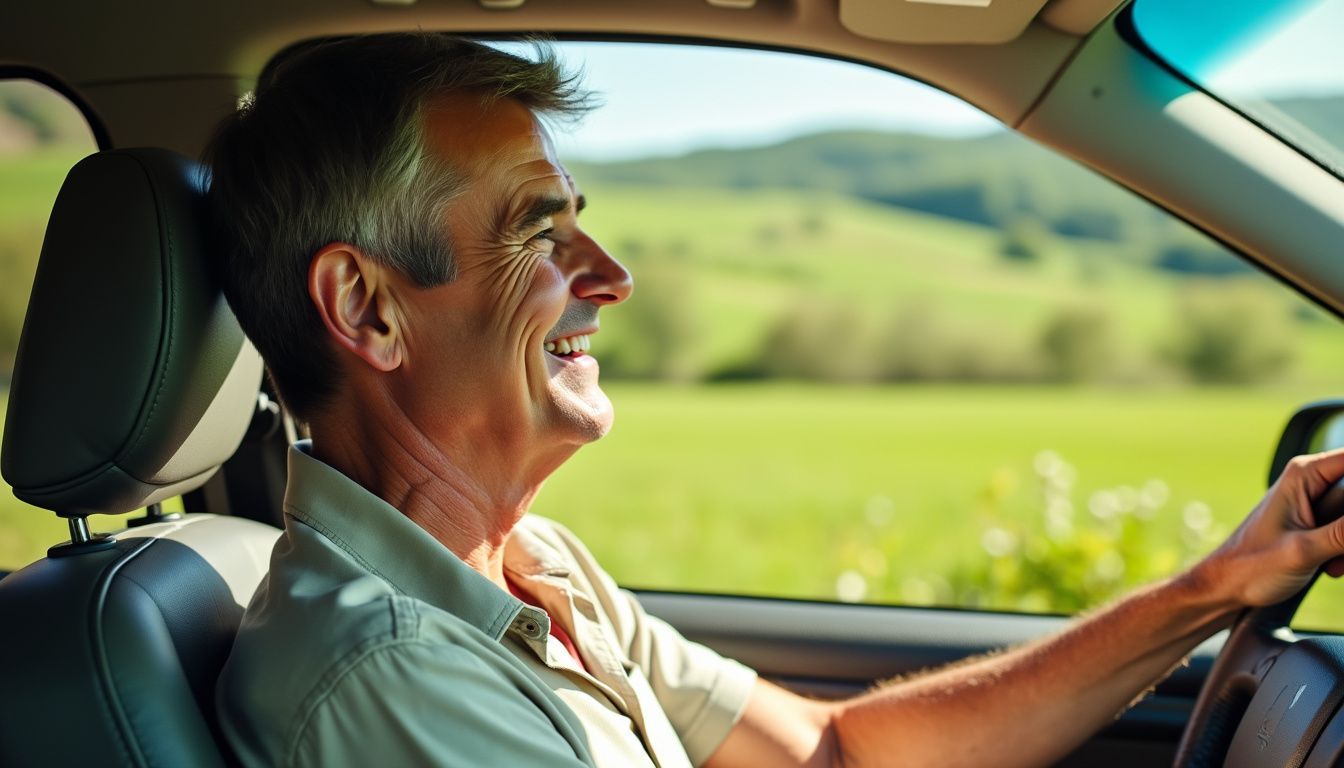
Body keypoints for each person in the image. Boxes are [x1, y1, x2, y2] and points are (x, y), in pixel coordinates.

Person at [207, 33, 1344, 768]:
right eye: (538, 233)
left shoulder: (530, 569)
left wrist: (1216, 587)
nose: (610, 276)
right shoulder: (386, 674)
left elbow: (835, 750)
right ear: (365, 309)